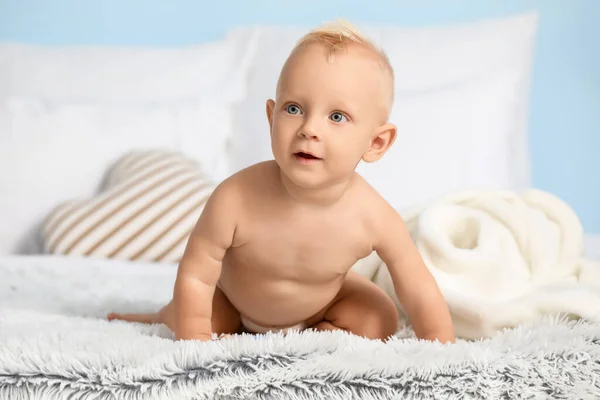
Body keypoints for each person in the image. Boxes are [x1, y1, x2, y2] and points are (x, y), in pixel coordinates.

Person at [108, 20, 455, 344]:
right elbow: (197, 276)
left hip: (321, 304)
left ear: (375, 143)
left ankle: (316, 333)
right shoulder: (235, 198)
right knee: (197, 314)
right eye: (293, 109)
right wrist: (194, 344)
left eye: (337, 116)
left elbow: (418, 286)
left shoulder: (374, 216)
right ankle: (156, 315)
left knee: (381, 316)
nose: (309, 128)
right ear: (271, 116)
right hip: (232, 302)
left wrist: (444, 348)